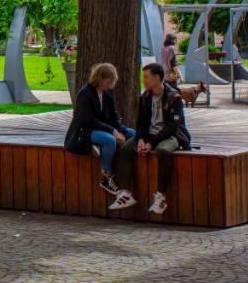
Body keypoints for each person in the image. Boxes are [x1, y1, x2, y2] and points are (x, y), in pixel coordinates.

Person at [113, 62, 192, 214]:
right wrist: (141, 139)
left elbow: (172, 127)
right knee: (125, 149)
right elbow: (141, 122)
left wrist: (151, 143)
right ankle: (126, 193)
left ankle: (161, 197)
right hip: (149, 135)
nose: (144, 81)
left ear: (157, 78)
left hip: (171, 135)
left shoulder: (173, 97)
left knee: (163, 150)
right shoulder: (145, 97)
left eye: (146, 77)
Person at [63, 62, 134, 200]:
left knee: (132, 134)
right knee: (109, 140)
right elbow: (87, 120)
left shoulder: (108, 92)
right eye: (108, 82)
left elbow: (113, 114)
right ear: (100, 78)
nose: (110, 85)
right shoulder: (85, 94)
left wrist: (119, 130)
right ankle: (107, 176)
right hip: (87, 130)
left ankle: (125, 166)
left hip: (106, 127)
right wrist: (113, 132)